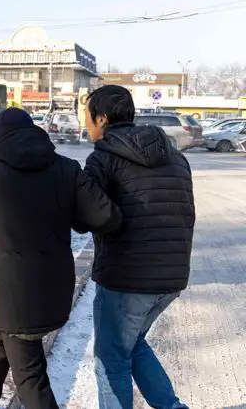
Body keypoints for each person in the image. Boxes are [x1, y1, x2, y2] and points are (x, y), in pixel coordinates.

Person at [0, 107, 122, 409]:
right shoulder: (66, 168)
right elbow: (106, 217)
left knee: (30, 379)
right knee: (1, 337)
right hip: (54, 290)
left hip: (16, 296)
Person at [83, 85, 194, 409]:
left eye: (88, 116)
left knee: (110, 361)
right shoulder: (175, 155)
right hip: (172, 276)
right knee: (132, 345)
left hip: (127, 279)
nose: (86, 124)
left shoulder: (103, 157)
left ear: (102, 118)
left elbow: (88, 214)